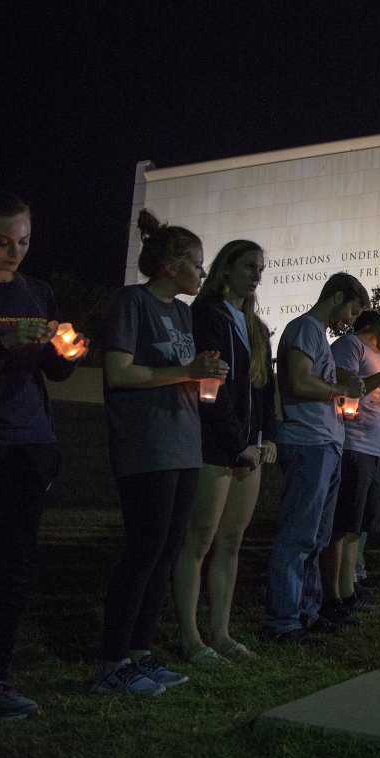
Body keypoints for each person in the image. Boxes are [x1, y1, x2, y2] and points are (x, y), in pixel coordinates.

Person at [0, 185, 87, 724]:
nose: (15, 251)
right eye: (4, 241)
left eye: (24, 241)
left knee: (10, 569)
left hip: (27, 444)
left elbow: (54, 372)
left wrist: (67, 352)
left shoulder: (37, 292)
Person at [94, 209, 227, 696]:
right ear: (171, 265)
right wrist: (186, 370)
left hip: (183, 441)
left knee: (169, 549)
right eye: (197, 263)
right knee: (144, 549)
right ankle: (112, 660)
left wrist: (205, 372)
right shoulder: (133, 302)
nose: (202, 273)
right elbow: (120, 373)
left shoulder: (183, 312)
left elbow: (182, 369)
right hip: (146, 442)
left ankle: (140, 652)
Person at [171, 239, 278, 665]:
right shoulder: (207, 315)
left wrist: (268, 436)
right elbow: (209, 391)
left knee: (230, 543)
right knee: (198, 542)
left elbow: (264, 389)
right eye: (250, 266)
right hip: (214, 447)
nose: (256, 275)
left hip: (249, 448)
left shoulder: (255, 326)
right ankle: (190, 637)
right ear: (227, 267)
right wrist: (238, 445)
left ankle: (221, 632)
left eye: (260, 269)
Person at [262, 273, 368, 644]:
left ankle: (306, 612)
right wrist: (339, 389)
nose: (351, 320)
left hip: (326, 443)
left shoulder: (317, 335)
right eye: (353, 311)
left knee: (317, 537)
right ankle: (282, 619)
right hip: (307, 443)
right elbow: (298, 381)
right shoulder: (306, 328)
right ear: (336, 297)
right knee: (298, 535)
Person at [320, 309, 380, 620]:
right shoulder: (352, 346)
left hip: (374, 450)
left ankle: (349, 591)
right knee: (342, 524)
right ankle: (331, 597)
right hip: (351, 444)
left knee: (359, 527)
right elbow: (346, 386)